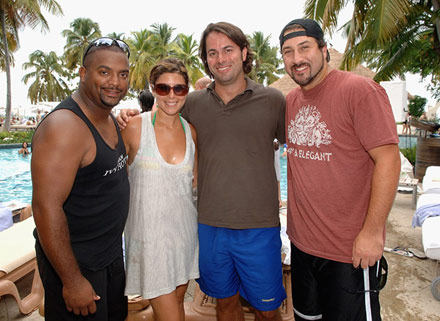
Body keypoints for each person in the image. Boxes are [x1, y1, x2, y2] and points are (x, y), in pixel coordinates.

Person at [118, 22, 286, 321]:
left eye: (228, 50)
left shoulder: (273, 100)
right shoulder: (191, 103)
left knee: (268, 311)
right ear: (206, 59)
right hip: (208, 227)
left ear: (244, 52)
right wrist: (128, 113)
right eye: (212, 52)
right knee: (224, 304)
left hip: (259, 227)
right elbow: (160, 116)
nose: (220, 58)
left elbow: (302, 153)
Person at [279, 18, 401, 320]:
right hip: (303, 246)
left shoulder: (359, 91)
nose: (297, 59)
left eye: (304, 48)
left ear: (323, 49)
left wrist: (372, 233)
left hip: (348, 251)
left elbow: (389, 160)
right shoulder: (291, 100)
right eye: (288, 52)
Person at [31, 37, 131, 321]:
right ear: (83, 73)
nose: (115, 82)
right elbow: (45, 208)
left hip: (109, 257)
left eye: (122, 74)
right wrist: (72, 280)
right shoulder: (64, 127)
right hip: (77, 266)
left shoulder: (109, 117)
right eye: (104, 72)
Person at [122, 58, 199, 321]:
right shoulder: (134, 127)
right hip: (150, 241)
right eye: (164, 88)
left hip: (185, 237)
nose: (171, 95)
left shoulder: (191, 132)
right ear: (153, 89)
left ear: (187, 91)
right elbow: (110, 182)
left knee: (177, 306)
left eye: (179, 88)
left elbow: (193, 188)